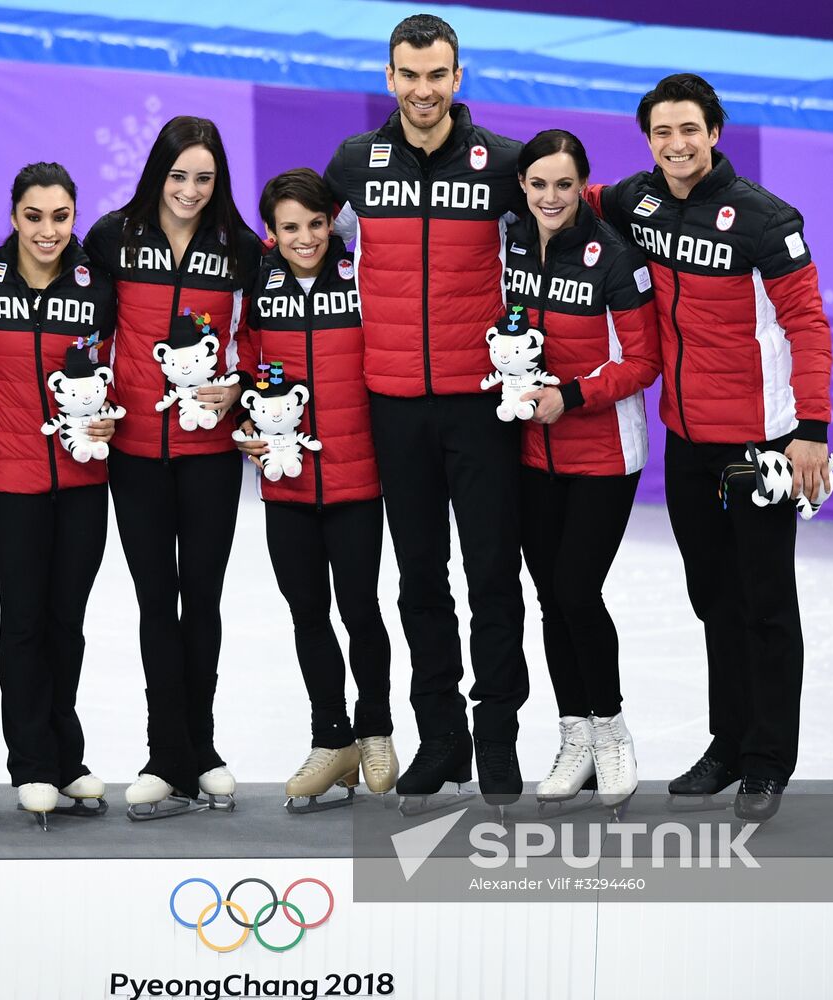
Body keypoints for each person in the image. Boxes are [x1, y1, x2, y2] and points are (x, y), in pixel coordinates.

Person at [584, 73, 833, 822]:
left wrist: (812, 431)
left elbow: (808, 327)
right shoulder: (638, 201)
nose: (675, 144)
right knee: (712, 600)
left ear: (714, 132)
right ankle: (727, 745)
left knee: (764, 606)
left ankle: (766, 762)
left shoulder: (764, 220)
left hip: (760, 445)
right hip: (685, 439)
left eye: (688, 129)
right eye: (661, 132)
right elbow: (564, 197)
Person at [324, 13, 529, 803]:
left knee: (490, 577)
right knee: (417, 580)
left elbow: (559, 229)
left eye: (436, 74)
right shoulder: (354, 163)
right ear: (388, 78)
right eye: (408, 76)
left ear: (458, 76)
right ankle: (440, 738)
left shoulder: (502, 165)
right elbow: (307, 243)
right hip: (393, 406)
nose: (422, 90)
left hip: (479, 405)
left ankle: (498, 737)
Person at [83, 116, 264, 819]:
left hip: (210, 457)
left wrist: (243, 384)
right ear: (157, 173)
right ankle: (167, 754)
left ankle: (203, 746)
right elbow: (82, 329)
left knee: (204, 602)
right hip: (134, 456)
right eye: (178, 174)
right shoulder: (111, 238)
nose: (189, 190)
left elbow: (258, 338)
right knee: (157, 603)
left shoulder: (241, 249)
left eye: (203, 178)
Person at [500, 130, 660, 811]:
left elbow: (641, 360)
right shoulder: (506, 241)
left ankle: (611, 729)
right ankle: (573, 738)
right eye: (537, 184)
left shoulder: (614, 256)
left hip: (603, 455)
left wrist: (570, 395)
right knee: (548, 598)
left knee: (574, 589)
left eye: (562, 185)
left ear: (582, 185)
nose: (549, 197)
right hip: (530, 456)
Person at [235, 168, 396, 811]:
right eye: (290, 228)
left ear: (334, 222)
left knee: (360, 608)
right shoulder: (259, 285)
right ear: (270, 233)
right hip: (287, 483)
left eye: (316, 224)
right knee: (308, 613)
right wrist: (247, 415)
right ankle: (332, 738)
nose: (306, 239)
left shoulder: (364, 276)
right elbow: (243, 363)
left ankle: (376, 730)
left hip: (358, 478)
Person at [0, 162, 117, 827]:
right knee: (23, 622)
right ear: (13, 215)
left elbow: (125, 370)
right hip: (14, 482)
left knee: (66, 624)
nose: (47, 231)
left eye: (60, 217)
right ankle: (29, 762)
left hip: (84, 482)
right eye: (33, 216)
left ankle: (66, 757)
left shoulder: (98, 288)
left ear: (74, 216)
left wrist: (118, 414)